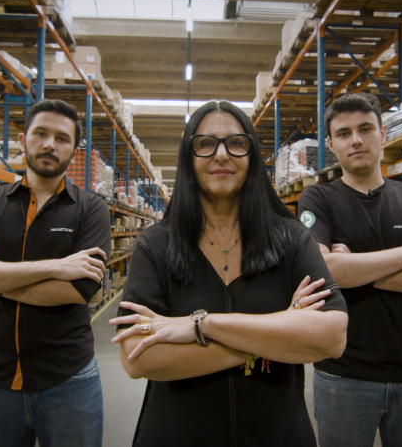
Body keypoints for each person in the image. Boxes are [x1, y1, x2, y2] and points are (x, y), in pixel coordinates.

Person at [109, 100, 348, 447]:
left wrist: (201, 325)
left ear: (251, 157)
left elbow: (331, 336)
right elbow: (137, 356)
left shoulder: (291, 239)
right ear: (188, 160)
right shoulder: (156, 246)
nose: (221, 155)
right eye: (206, 143)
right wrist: (277, 333)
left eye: (235, 143)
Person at [298, 93, 402, 447]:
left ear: (383, 133)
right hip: (345, 375)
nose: (356, 140)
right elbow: (324, 270)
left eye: (365, 129)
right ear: (330, 144)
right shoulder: (319, 199)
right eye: (344, 134)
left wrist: (355, 266)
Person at [0, 99, 111, 447]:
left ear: (74, 152)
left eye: (62, 138)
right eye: (41, 134)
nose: (50, 144)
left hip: (69, 382)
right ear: (23, 139)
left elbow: (78, 290)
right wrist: (56, 267)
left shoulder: (91, 210)